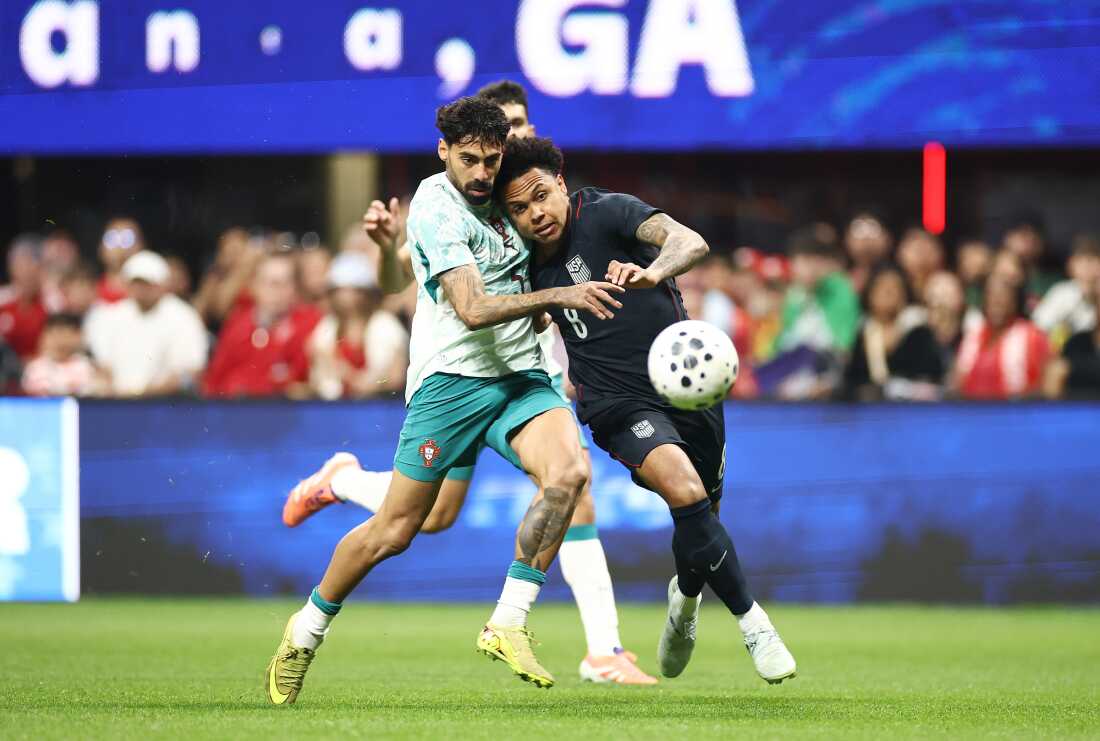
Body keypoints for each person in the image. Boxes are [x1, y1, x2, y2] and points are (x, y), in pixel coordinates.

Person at [282, 81, 656, 685]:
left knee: (569, 479)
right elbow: (406, 282)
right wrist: (385, 250)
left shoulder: (529, 191)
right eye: (478, 151)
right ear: (448, 150)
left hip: (522, 370)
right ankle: (327, 550)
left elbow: (566, 252)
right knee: (416, 523)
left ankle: (580, 643)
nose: (493, 157)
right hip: (452, 378)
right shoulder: (440, 204)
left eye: (509, 135)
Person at [495, 135, 797, 685]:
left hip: (686, 385)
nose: (534, 214)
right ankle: (756, 625)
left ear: (561, 185)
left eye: (540, 195)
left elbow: (688, 241)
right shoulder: (523, 265)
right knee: (686, 492)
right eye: (518, 208)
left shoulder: (609, 212)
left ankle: (683, 603)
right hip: (614, 403)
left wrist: (654, 271)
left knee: (702, 522)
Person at [84, 251, 208, 397]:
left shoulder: (184, 316)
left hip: (164, 404)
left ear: (162, 284)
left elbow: (190, 370)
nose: (141, 289)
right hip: (116, 401)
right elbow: (102, 364)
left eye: (147, 283)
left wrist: (145, 395)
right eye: (136, 283)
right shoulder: (111, 314)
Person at [203, 251, 322, 398]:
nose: (279, 291)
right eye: (272, 284)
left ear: (295, 288)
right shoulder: (238, 325)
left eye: (286, 283)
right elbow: (213, 382)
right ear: (255, 286)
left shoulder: (311, 324)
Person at [307, 251, 408, 399]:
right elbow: (318, 379)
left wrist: (355, 378)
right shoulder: (325, 328)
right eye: (340, 290)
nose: (346, 296)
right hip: (334, 412)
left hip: (380, 408)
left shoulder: (386, 326)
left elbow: (395, 378)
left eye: (353, 290)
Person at [841, 263, 944, 401]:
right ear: (870, 294)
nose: (888, 292)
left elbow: (931, 377)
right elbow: (852, 381)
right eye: (882, 287)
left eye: (895, 288)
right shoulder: (863, 332)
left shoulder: (918, 331)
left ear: (904, 294)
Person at [955, 276, 1050, 399]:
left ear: (1014, 302)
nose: (997, 302)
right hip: (971, 412)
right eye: (991, 296)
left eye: (1003, 296)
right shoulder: (972, 336)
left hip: (1016, 412)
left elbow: (1050, 380)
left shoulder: (1032, 336)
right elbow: (958, 381)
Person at [1031, 234, 1100, 348]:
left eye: (1094, 260)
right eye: (1083, 260)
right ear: (1071, 265)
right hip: (1061, 355)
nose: (1088, 267)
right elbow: (1038, 326)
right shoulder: (1062, 292)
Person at [21, 313, 100, 397]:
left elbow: (95, 393)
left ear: (78, 336)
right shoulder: (36, 368)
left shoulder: (86, 365)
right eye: (55, 333)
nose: (59, 339)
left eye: (64, 333)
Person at [0, 235, 48, 361]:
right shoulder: (2, 300)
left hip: (41, 368)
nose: (26, 270)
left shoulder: (54, 302)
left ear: (41, 268)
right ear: (11, 268)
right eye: (20, 264)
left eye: (30, 263)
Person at [96, 218, 145, 303]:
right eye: (112, 239)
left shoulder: (151, 295)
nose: (119, 247)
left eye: (127, 239)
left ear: (141, 246)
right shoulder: (90, 293)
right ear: (100, 247)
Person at [844, 211, 893, 294]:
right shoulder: (838, 280)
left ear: (887, 238)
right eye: (858, 231)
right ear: (846, 239)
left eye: (873, 230)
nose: (866, 239)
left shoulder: (895, 278)